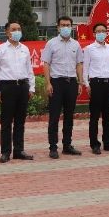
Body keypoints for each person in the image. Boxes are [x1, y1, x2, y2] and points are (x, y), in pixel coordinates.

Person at [0, 21, 36, 163]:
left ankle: (19, 150)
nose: (17, 31)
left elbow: (29, 69)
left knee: (20, 121)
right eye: (13, 29)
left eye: (19, 29)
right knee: (6, 122)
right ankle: (5, 152)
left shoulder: (25, 49)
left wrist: (31, 87)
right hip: (7, 87)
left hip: (22, 86)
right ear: (7, 32)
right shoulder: (0, 49)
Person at [42, 16, 84, 159]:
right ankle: (53, 147)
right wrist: (48, 83)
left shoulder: (76, 45)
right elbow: (46, 64)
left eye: (68, 25)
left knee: (69, 116)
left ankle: (67, 145)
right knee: (54, 116)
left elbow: (79, 64)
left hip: (71, 82)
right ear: (58, 27)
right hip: (56, 83)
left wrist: (80, 82)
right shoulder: (51, 44)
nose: (65, 27)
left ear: (72, 27)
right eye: (63, 25)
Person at [82, 23, 109, 154]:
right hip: (96, 84)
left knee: (108, 116)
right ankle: (94, 144)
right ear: (94, 34)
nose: (101, 33)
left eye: (103, 31)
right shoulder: (89, 49)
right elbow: (85, 68)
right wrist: (87, 84)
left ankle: (108, 143)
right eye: (98, 31)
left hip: (108, 83)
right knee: (95, 116)